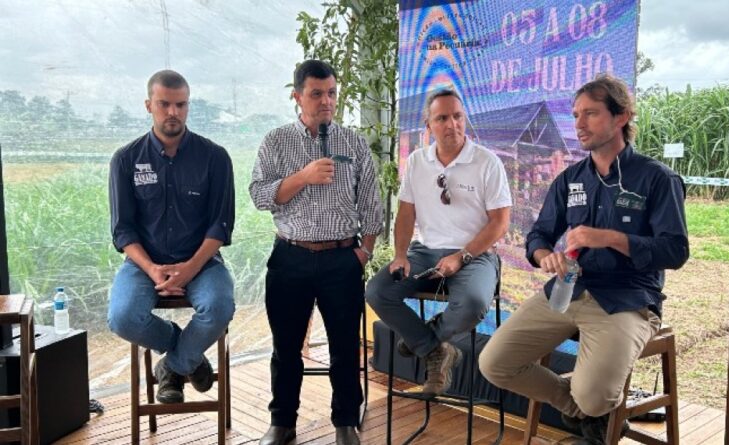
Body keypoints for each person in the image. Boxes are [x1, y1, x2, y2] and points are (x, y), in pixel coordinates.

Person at [479, 74, 689, 444]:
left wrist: (609, 238)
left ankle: (593, 407)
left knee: (594, 394)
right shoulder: (570, 179)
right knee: (494, 363)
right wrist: (545, 255)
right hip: (567, 292)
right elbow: (538, 235)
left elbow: (675, 251)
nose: (579, 124)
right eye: (576, 115)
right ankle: (586, 412)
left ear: (621, 117)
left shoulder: (657, 178)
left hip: (628, 299)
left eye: (590, 113)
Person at [249, 59, 383, 445]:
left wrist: (364, 252)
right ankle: (282, 422)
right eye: (316, 94)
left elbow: (372, 205)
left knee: (345, 346)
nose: (326, 101)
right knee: (286, 347)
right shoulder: (276, 141)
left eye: (332, 93)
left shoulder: (353, 143)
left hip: (342, 258)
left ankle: (345, 422)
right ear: (297, 96)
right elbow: (259, 195)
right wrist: (303, 177)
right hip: (290, 257)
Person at [366, 88, 512, 397]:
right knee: (377, 291)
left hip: (476, 255)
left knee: (473, 303)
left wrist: (462, 256)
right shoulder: (417, 161)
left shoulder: (487, 162)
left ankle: (424, 339)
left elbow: (500, 223)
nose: (452, 124)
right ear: (428, 125)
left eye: (457, 116)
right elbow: (406, 214)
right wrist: (400, 255)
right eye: (442, 118)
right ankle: (436, 350)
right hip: (425, 252)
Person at [107, 70, 236, 405]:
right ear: (149, 105)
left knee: (220, 307)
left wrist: (190, 269)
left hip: (202, 262)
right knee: (122, 318)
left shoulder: (215, 157)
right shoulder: (126, 159)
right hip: (144, 264)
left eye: (181, 105)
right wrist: (152, 269)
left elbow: (221, 225)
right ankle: (186, 350)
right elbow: (123, 229)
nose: (173, 112)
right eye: (164, 104)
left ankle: (173, 367)